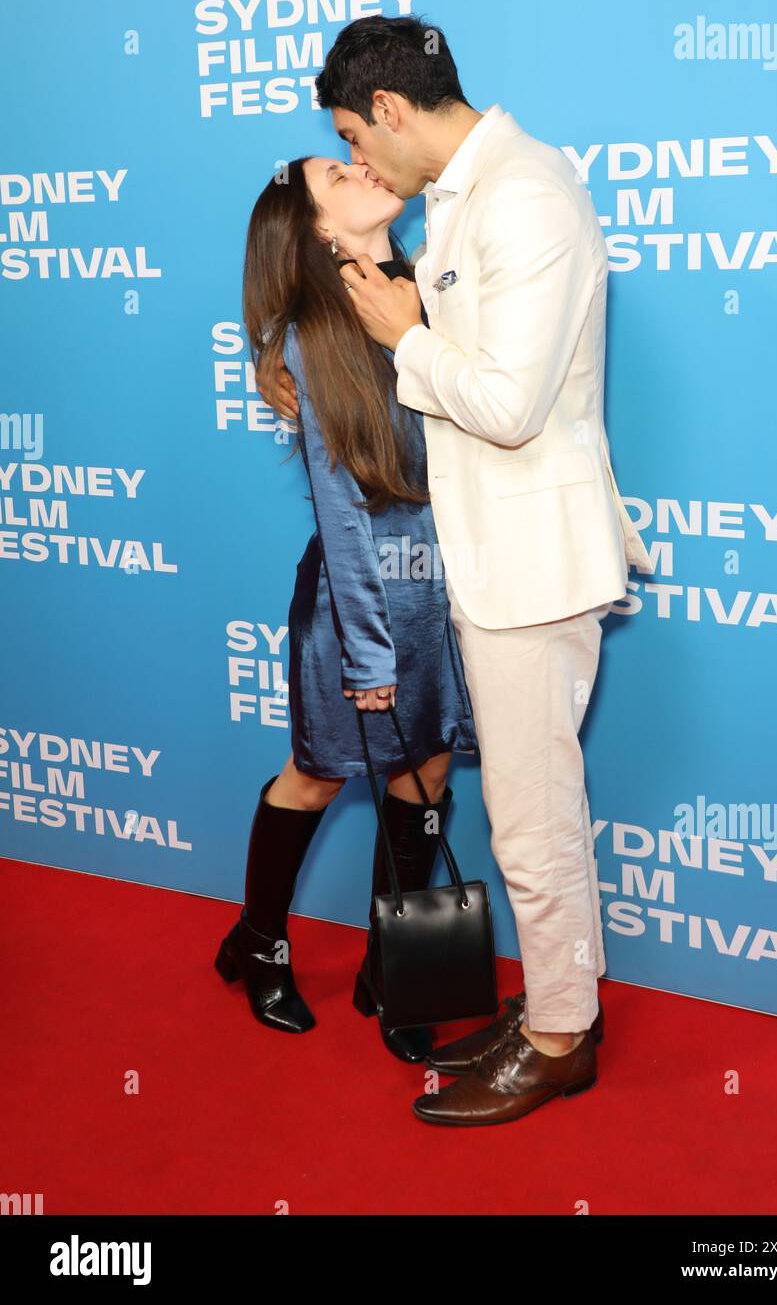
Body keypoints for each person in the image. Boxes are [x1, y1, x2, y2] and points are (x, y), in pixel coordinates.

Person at [259, 15, 654, 1126]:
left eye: (350, 133)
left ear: (386, 110)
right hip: (487, 564)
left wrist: (403, 335)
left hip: (528, 563)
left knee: (531, 818)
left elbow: (506, 406)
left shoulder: (523, 195)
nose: (358, 160)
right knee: (528, 814)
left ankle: (560, 1036)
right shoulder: (463, 200)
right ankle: (552, 1009)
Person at [214, 154, 478, 1064]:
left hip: (448, 587)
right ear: (319, 228)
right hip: (358, 597)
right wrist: (368, 652)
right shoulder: (308, 337)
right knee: (322, 770)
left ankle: (395, 969)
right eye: (338, 171)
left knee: (428, 778)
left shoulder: (430, 291)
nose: (363, 166)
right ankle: (260, 940)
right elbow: (341, 508)